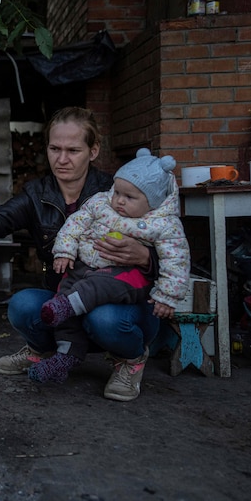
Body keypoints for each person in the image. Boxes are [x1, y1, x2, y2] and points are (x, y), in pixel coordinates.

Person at [0, 107, 160, 401]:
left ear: (93, 151)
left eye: (73, 150)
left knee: (103, 318)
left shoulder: (119, 192)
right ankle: (42, 352)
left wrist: (145, 257)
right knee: (22, 304)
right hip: (67, 302)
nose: (62, 159)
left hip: (120, 306)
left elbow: (173, 252)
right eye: (54, 148)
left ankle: (132, 359)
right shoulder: (37, 194)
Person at [32, 148, 191, 384]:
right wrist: (65, 250)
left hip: (126, 278)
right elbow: (74, 223)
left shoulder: (164, 224)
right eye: (117, 192)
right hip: (86, 268)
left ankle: (131, 360)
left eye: (130, 197)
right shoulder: (101, 203)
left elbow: (176, 260)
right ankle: (65, 356)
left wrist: (167, 295)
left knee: (90, 290)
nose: (119, 200)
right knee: (66, 293)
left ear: (153, 201)